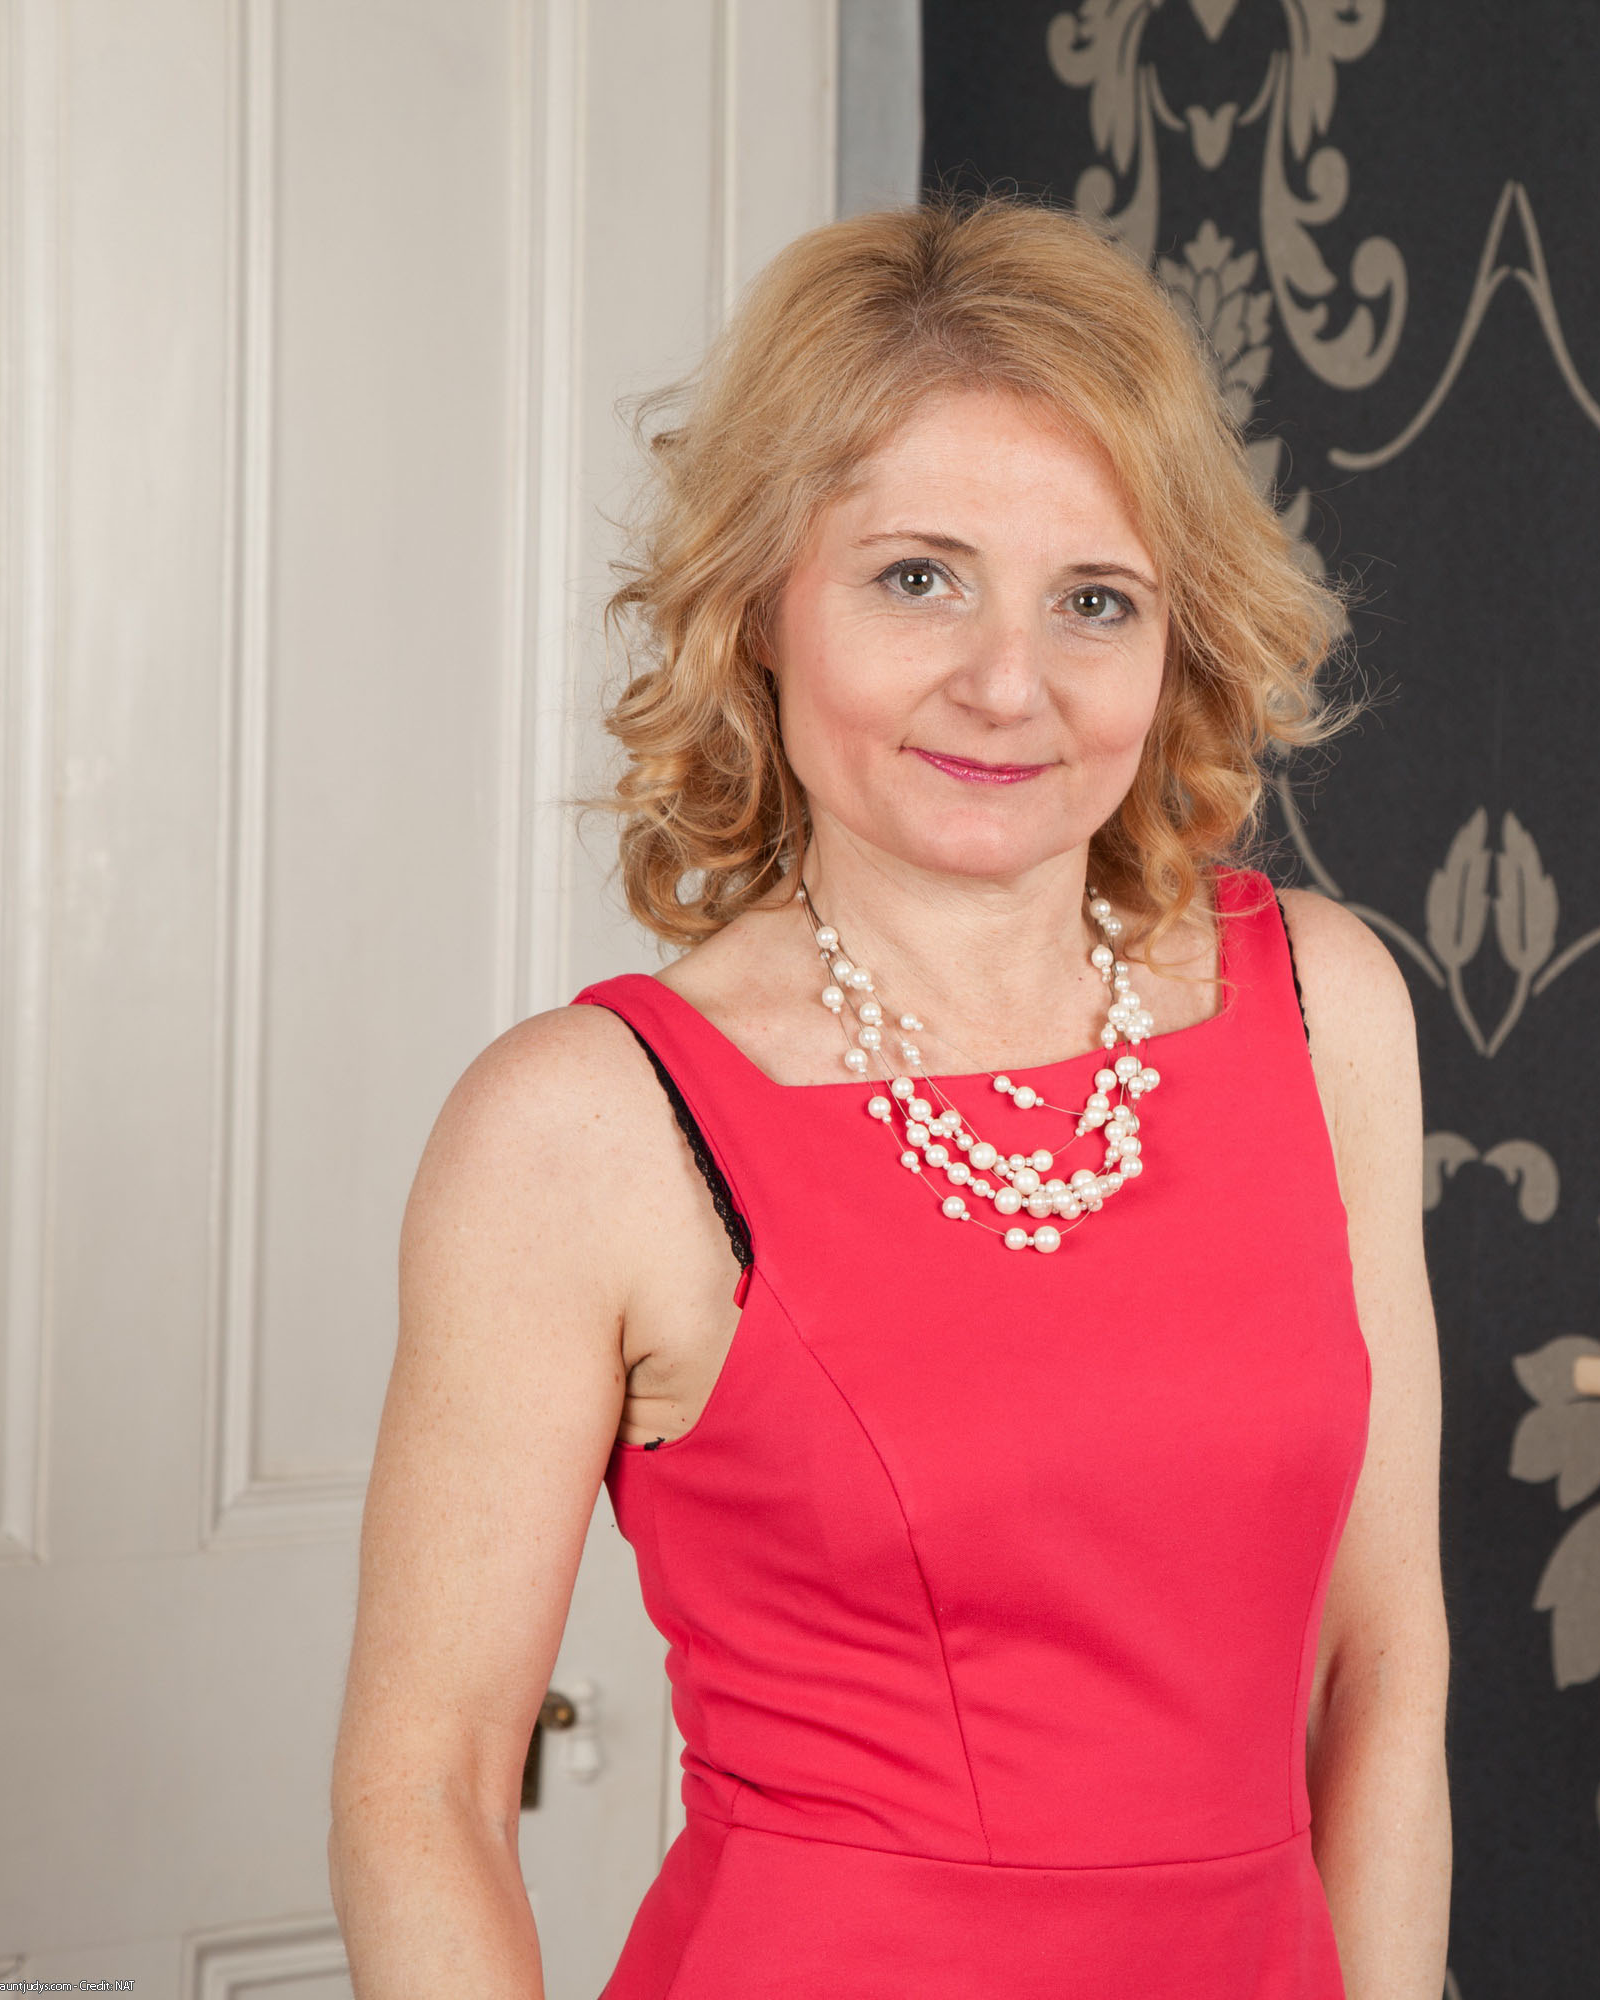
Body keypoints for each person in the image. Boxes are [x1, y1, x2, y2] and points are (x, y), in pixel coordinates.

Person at [327, 198, 1452, 1998]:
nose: (1008, 684)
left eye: (1095, 601)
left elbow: (1385, 1673)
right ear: (763, 605)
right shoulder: (585, 1127)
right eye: (918, 577)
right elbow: (426, 1791)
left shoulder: (1325, 1009)